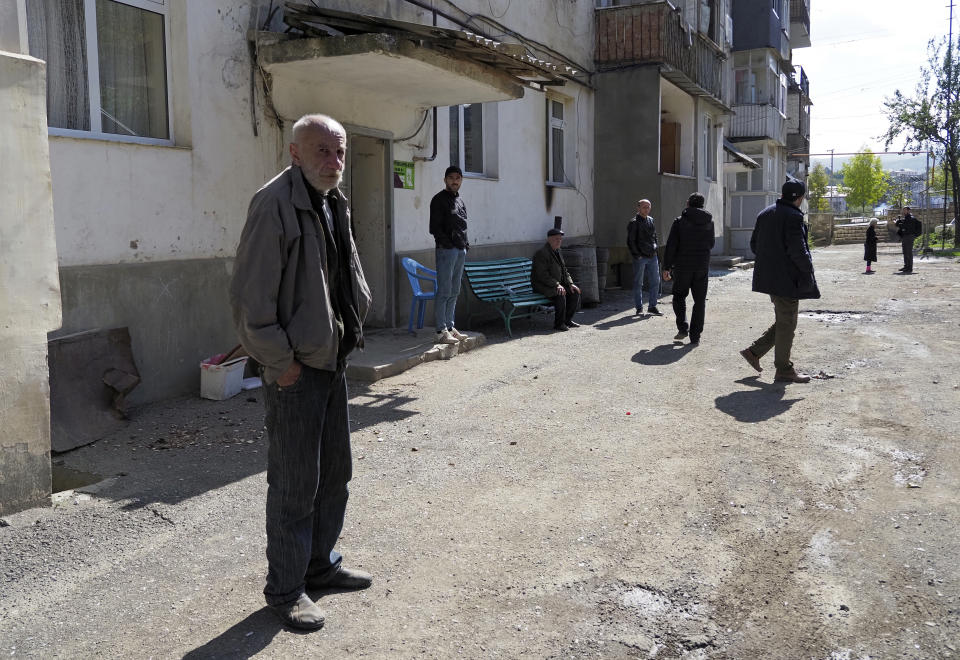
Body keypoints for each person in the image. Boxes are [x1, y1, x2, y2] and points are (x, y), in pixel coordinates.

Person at [230, 114, 373, 630]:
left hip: (330, 360)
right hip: (295, 368)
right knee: (294, 483)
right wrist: (280, 363)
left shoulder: (333, 200)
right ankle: (286, 589)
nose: (332, 162)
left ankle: (320, 566)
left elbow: (344, 271)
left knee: (335, 473)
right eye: (321, 151)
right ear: (294, 153)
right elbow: (250, 300)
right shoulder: (273, 205)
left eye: (338, 152)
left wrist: (355, 321)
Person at [738, 180, 820, 383]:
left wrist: (772, 263)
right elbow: (798, 250)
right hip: (787, 280)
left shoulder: (765, 213)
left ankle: (754, 352)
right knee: (788, 321)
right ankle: (783, 369)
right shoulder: (793, 217)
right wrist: (808, 271)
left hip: (770, 278)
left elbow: (755, 245)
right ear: (799, 198)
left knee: (785, 320)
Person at [661, 192, 715, 345]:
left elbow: (672, 246)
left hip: (683, 266)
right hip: (701, 266)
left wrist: (667, 267)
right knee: (699, 301)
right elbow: (711, 244)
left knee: (679, 296)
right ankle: (695, 336)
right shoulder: (709, 222)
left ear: (688, 203)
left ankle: (683, 328)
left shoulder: (679, 222)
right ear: (702, 204)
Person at [429, 165, 470, 344]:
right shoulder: (438, 200)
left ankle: (450, 327)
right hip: (446, 250)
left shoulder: (460, 201)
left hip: (460, 250)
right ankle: (440, 330)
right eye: (451, 177)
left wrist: (465, 245)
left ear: (461, 180)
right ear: (445, 179)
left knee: (455, 290)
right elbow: (434, 228)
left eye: (458, 178)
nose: (455, 180)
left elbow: (463, 225)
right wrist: (448, 244)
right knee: (444, 290)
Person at [531, 228, 581, 331]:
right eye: (556, 239)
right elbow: (542, 275)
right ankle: (559, 324)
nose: (559, 241)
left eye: (560, 239)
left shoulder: (558, 251)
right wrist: (557, 285)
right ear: (549, 239)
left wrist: (570, 283)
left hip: (555, 284)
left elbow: (564, 270)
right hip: (542, 286)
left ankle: (567, 320)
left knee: (575, 291)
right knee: (560, 294)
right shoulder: (541, 253)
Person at [626, 199, 662, 316]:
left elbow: (654, 236)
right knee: (638, 283)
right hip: (641, 257)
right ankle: (639, 307)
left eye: (648, 207)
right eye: (644, 207)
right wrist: (638, 255)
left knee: (655, 281)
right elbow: (631, 241)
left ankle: (652, 306)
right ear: (638, 208)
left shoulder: (651, 220)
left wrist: (655, 248)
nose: (646, 209)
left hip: (652, 256)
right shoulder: (634, 222)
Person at [894, 206, 921, 273]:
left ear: (909, 211)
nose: (903, 212)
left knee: (909, 252)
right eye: (903, 210)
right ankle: (906, 266)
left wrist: (898, 224)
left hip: (909, 236)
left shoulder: (911, 218)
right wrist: (897, 222)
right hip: (905, 236)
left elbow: (905, 226)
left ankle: (909, 268)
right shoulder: (906, 218)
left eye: (905, 210)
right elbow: (901, 224)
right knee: (905, 252)